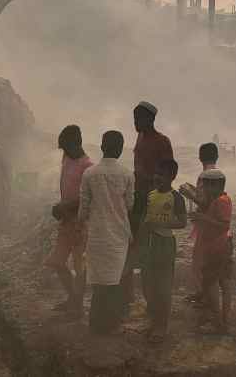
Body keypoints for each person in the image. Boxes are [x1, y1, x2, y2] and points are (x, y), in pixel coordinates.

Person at [79, 130, 135, 334]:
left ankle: (95, 322)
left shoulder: (89, 174)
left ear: (102, 147)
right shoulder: (127, 174)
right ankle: (111, 324)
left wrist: (83, 225)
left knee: (98, 281)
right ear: (120, 150)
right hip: (118, 234)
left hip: (96, 234)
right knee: (113, 281)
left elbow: (83, 208)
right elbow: (129, 205)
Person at [44, 125, 93, 318]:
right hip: (66, 221)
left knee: (80, 266)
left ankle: (78, 307)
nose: (63, 152)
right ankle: (73, 298)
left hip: (80, 223)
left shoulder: (87, 166)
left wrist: (65, 207)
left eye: (66, 147)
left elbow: (88, 198)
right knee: (57, 262)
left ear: (76, 143)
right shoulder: (67, 158)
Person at [128, 101, 174, 299]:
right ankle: (130, 294)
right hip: (138, 196)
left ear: (151, 119)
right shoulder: (140, 137)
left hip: (153, 199)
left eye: (139, 119)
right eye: (134, 119)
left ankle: (153, 294)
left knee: (150, 243)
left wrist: (151, 183)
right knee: (133, 242)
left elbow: (169, 171)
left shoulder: (162, 141)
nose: (136, 123)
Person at [138, 158, 187, 342]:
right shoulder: (150, 195)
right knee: (147, 284)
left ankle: (161, 326)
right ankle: (153, 319)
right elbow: (145, 219)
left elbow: (182, 222)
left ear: (172, 177)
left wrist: (158, 223)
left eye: (162, 175)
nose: (157, 178)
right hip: (148, 243)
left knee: (163, 286)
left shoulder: (176, 198)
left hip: (165, 243)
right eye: (156, 174)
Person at [190, 169, 233, 333]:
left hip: (216, 247)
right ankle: (224, 319)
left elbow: (224, 224)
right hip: (223, 246)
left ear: (214, 185)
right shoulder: (224, 199)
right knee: (224, 282)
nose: (203, 189)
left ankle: (219, 322)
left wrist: (202, 218)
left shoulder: (219, 202)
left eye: (205, 186)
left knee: (211, 284)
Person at [186, 142, 221, 306]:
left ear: (200, 157)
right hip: (214, 222)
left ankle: (204, 295)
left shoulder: (204, 175)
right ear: (217, 156)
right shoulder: (218, 174)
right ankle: (205, 294)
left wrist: (188, 193)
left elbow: (204, 201)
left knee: (199, 261)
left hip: (205, 221)